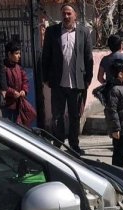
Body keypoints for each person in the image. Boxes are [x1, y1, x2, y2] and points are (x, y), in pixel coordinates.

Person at [41, 3, 93, 155]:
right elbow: (46, 56)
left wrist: (88, 78)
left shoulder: (84, 32)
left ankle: (74, 145)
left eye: (69, 13)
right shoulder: (52, 32)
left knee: (75, 116)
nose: (66, 16)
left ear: (75, 15)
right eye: (64, 13)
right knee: (57, 116)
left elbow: (88, 57)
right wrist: (45, 77)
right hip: (57, 82)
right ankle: (57, 144)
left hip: (77, 82)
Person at [103, 59, 123, 167]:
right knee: (119, 151)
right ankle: (117, 170)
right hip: (120, 129)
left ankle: (120, 168)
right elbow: (112, 110)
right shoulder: (115, 90)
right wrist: (116, 129)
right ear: (120, 74)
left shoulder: (121, 87)